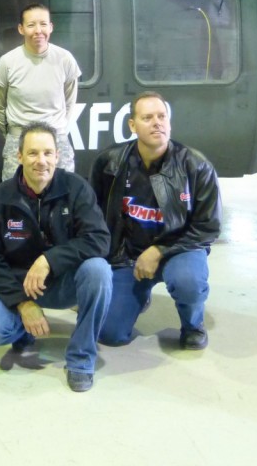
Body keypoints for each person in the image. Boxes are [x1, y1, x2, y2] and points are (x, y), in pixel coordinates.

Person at [0, 122, 111, 392]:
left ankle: (81, 358)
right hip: (17, 283)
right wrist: (22, 303)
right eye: (33, 153)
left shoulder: (77, 188)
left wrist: (49, 260)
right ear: (19, 156)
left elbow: (99, 239)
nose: (41, 161)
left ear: (57, 156)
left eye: (48, 153)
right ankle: (24, 327)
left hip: (63, 282)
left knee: (99, 271)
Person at [90, 91, 222, 350]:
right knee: (110, 334)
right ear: (132, 125)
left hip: (180, 250)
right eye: (147, 117)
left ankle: (193, 325)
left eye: (162, 116)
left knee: (188, 281)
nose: (157, 123)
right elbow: (94, 216)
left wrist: (159, 250)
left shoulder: (196, 166)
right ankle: (139, 294)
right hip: (128, 256)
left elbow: (208, 227)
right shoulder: (109, 163)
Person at [0, 3, 82, 180]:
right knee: (14, 192)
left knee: (64, 190)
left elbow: (70, 101)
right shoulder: (7, 62)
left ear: (51, 27)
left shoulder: (65, 59)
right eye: (31, 25)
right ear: (21, 29)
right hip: (18, 138)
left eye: (43, 24)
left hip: (56, 138)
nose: (38, 31)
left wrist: (60, 129)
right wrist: (13, 132)